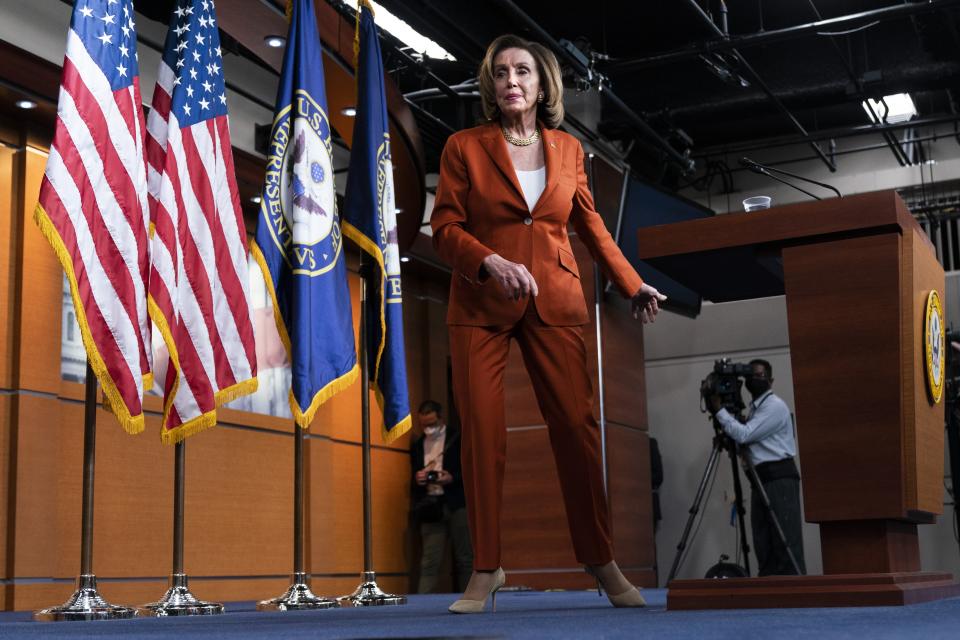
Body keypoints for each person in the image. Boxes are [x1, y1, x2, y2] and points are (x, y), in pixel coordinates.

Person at [430, 33, 666, 614]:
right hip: (480, 302)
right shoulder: (463, 146)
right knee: (483, 435)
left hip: (556, 299)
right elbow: (444, 228)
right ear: (491, 85)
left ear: (542, 86)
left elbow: (591, 227)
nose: (512, 81)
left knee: (577, 431)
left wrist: (632, 284)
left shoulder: (568, 151)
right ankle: (486, 570)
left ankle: (603, 563)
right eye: (502, 73)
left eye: (523, 73)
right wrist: (488, 261)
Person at [709, 359, 806, 576]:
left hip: (779, 478)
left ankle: (792, 588)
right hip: (761, 480)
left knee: (785, 539)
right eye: (751, 376)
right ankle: (769, 586)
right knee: (763, 539)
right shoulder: (755, 408)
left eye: (760, 376)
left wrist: (719, 411)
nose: (755, 379)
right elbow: (750, 443)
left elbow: (745, 434)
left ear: (770, 380)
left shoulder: (774, 406)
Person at [410, 400, 473, 593]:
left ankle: (470, 596)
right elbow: (413, 475)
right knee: (429, 560)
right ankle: (422, 601)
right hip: (430, 506)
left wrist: (451, 477)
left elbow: (471, 470)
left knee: (465, 557)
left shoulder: (456, 438)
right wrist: (418, 478)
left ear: (440, 418)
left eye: (431, 424)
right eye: (424, 425)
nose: (427, 428)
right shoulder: (418, 444)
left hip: (456, 503)